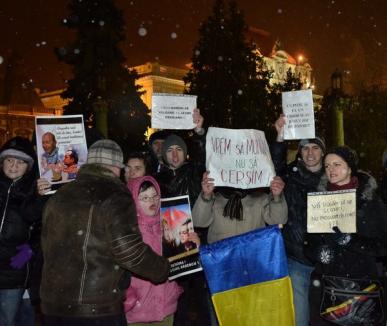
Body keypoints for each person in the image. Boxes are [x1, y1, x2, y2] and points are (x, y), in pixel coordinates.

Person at [40, 139, 170, 326]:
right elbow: (129, 250)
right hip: (96, 307)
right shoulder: (115, 194)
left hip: (53, 306)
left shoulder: (60, 194)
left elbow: (46, 246)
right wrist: (161, 269)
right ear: (117, 166)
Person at [305, 146, 387, 325]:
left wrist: (352, 240)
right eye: (327, 166)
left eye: (337, 164)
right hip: (329, 288)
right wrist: (318, 252)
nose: (331, 170)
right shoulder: (319, 201)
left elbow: (383, 246)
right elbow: (309, 240)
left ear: (350, 168)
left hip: (363, 287)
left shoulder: (370, 200)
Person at [270, 114, 326, 326]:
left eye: (315, 147)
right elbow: (275, 166)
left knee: (328, 312)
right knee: (299, 314)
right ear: (300, 152)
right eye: (305, 148)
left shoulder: (332, 177)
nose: (310, 153)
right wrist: (280, 138)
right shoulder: (290, 176)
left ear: (322, 151)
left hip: (326, 258)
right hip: (297, 255)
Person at [124, 176, 183, 325]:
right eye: (144, 198)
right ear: (134, 201)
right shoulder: (127, 232)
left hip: (166, 306)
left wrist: (191, 244)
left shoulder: (170, 225)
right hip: (138, 310)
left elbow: (183, 262)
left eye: (154, 196)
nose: (152, 201)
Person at [0, 137, 43, 326]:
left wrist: (26, 254)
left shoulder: (36, 191)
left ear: (29, 166)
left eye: (20, 162)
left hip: (13, 272)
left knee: (7, 320)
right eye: (9, 160)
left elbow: (41, 229)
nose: (14, 166)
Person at [192, 172, 288, 243]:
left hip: (252, 261)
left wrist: (276, 197)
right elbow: (198, 222)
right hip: (221, 261)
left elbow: (279, 222)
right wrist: (206, 196)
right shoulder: (215, 198)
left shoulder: (260, 197)